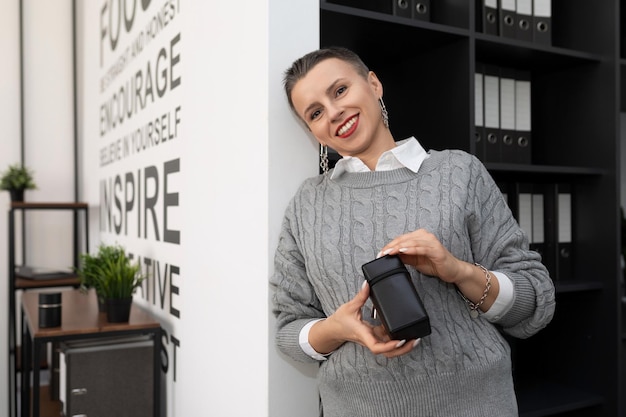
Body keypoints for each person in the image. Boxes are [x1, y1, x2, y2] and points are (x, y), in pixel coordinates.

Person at [270, 46, 555, 417]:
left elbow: (535, 300)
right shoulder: (306, 204)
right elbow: (289, 329)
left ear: (373, 84)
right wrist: (337, 329)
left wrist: (459, 272)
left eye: (340, 90)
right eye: (316, 112)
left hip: (476, 404)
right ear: (314, 133)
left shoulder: (458, 172)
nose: (334, 112)